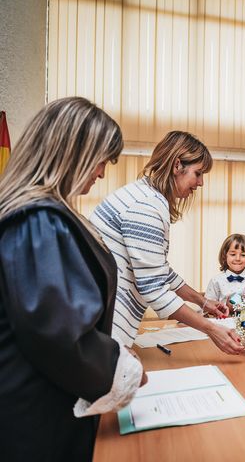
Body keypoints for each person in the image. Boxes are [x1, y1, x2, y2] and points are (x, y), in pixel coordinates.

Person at [0, 97, 145, 460]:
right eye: (100, 161)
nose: (101, 173)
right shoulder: (39, 223)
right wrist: (120, 367)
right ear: (72, 153)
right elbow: (58, 333)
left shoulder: (42, 216)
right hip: (36, 416)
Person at [91, 131, 243, 355]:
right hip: (105, 321)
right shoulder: (146, 206)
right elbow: (153, 288)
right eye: (198, 173)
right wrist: (212, 330)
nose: (200, 183)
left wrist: (202, 302)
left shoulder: (144, 195)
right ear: (177, 165)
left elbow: (160, 270)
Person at [205, 234, 245, 304]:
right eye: (233, 254)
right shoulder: (216, 281)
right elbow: (207, 307)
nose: (238, 259)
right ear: (225, 256)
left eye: (243, 255)